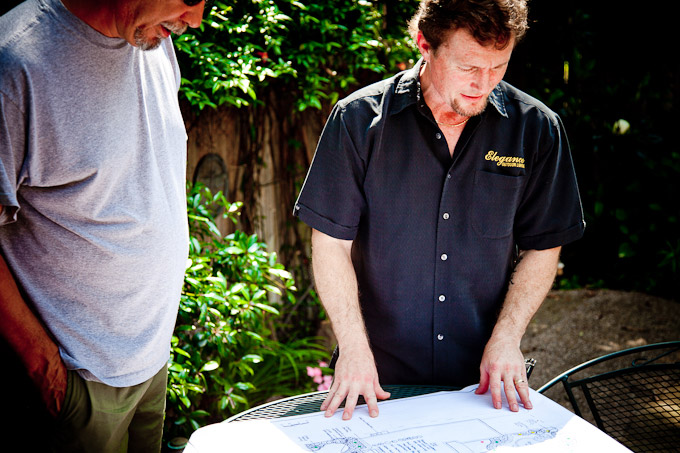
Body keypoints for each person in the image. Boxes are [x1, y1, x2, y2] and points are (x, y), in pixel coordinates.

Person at [293, 0, 585, 421]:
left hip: (482, 385)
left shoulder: (537, 128)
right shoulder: (357, 121)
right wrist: (354, 348)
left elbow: (544, 246)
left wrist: (507, 338)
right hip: (376, 378)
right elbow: (331, 244)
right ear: (424, 45)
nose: (483, 83)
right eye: (469, 67)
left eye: (498, 66)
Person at [0, 0, 206, 450]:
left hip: (151, 365)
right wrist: (44, 368)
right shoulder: (15, 62)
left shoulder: (152, 42)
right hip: (77, 382)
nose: (197, 20)